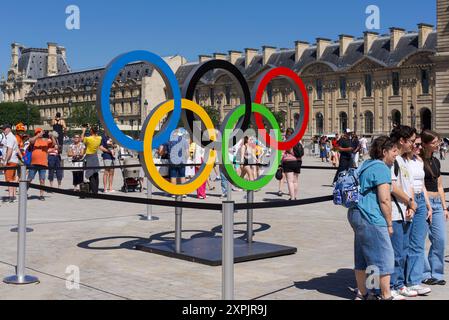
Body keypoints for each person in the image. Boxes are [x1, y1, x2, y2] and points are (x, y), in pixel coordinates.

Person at [348, 136, 398, 300]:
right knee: (384, 257)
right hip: (371, 216)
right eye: (394, 151)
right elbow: (384, 199)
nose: (396, 155)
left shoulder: (366, 164)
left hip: (356, 214)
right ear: (384, 152)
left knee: (364, 256)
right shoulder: (382, 168)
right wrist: (389, 223)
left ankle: (364, 293)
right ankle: (385, 295)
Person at [389, 125, 419, 298]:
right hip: (395, 211)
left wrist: (411, 204)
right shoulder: (394, 160)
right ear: (402, 140)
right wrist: (409, 201)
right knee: (396, 252)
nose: (413, 145)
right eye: (412, 141)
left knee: (404, 250)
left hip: (406, 210)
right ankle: (392, 285)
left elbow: (409, 186)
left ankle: (399, 284)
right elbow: (393, 186)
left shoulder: (404, 160)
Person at [405, 134, 433, 295]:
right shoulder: (401, 161)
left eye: (420, 145)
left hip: (421, 201)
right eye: (416, 145)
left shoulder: (419, 161)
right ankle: (404, 280)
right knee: (405, 242)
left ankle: (414, 281)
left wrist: (428, 205)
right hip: (409, 201)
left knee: (418, 243)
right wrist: (410, 203)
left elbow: (422, 185)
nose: (419, 147)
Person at [421, 130, 448, 286]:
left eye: (438, 142)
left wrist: (444, 207)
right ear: (425, 144)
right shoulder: (418, 161)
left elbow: (439, 185)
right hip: (424, 203)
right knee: (420, 241)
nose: (438, 144)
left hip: (437, 203)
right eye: (434, 142)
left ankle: (436, 272)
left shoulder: (436, 161)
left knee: (440, 240)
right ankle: (425, 273)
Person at [28, 128, 57, 201]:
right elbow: (30, 140)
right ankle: (24, 192)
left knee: (42, 180)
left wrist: (52, 136)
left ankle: (41, 195)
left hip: (43, 164)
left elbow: (54, 144)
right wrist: (38, 135)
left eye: (41, 132)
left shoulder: (45, 141)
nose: (42, 133)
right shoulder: (34, 140)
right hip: (33, 163)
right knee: (29, 179)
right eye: (40, 132)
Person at [281, 128, 303, 201]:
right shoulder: (298, 140)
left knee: (290, 181)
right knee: (295, 181)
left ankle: (292, 198)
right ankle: (295, 196)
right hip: (298, 162)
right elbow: (301, 152)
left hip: (288, 162)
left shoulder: (286, 141)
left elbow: (282, 153)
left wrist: (280, 162)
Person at [167, 129, 189, 197]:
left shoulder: (169, 140)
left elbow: (162, 149)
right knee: (182, 176)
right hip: (182, 161)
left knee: (173, 176)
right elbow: (187, 152)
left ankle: (174, 192)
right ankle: (183, 192)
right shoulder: (184, 140)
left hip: (172, 161)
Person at [81, 125, 102, 195]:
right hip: (95, 156)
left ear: (91, 131)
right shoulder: (99, 138)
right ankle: (96, 190)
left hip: (89, 156)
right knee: (96, 173)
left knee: (91, 174)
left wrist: (83, 131)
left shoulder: (88, 138)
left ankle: (94, 191)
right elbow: (96, 135)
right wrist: (92, 127)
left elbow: (82, 140)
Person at [1, 124, 20, 202]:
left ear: (9, 129)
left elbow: (10, 150)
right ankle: (12, 196)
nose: (3, 130)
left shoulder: (10, 137)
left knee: (9, 180)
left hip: (10, 161)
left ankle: (11, 196)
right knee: (11, 179)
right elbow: (16, 149)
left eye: (4, 129)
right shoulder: (11, 137)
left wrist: (5, 161)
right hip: (12, 160)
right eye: (3, 129)